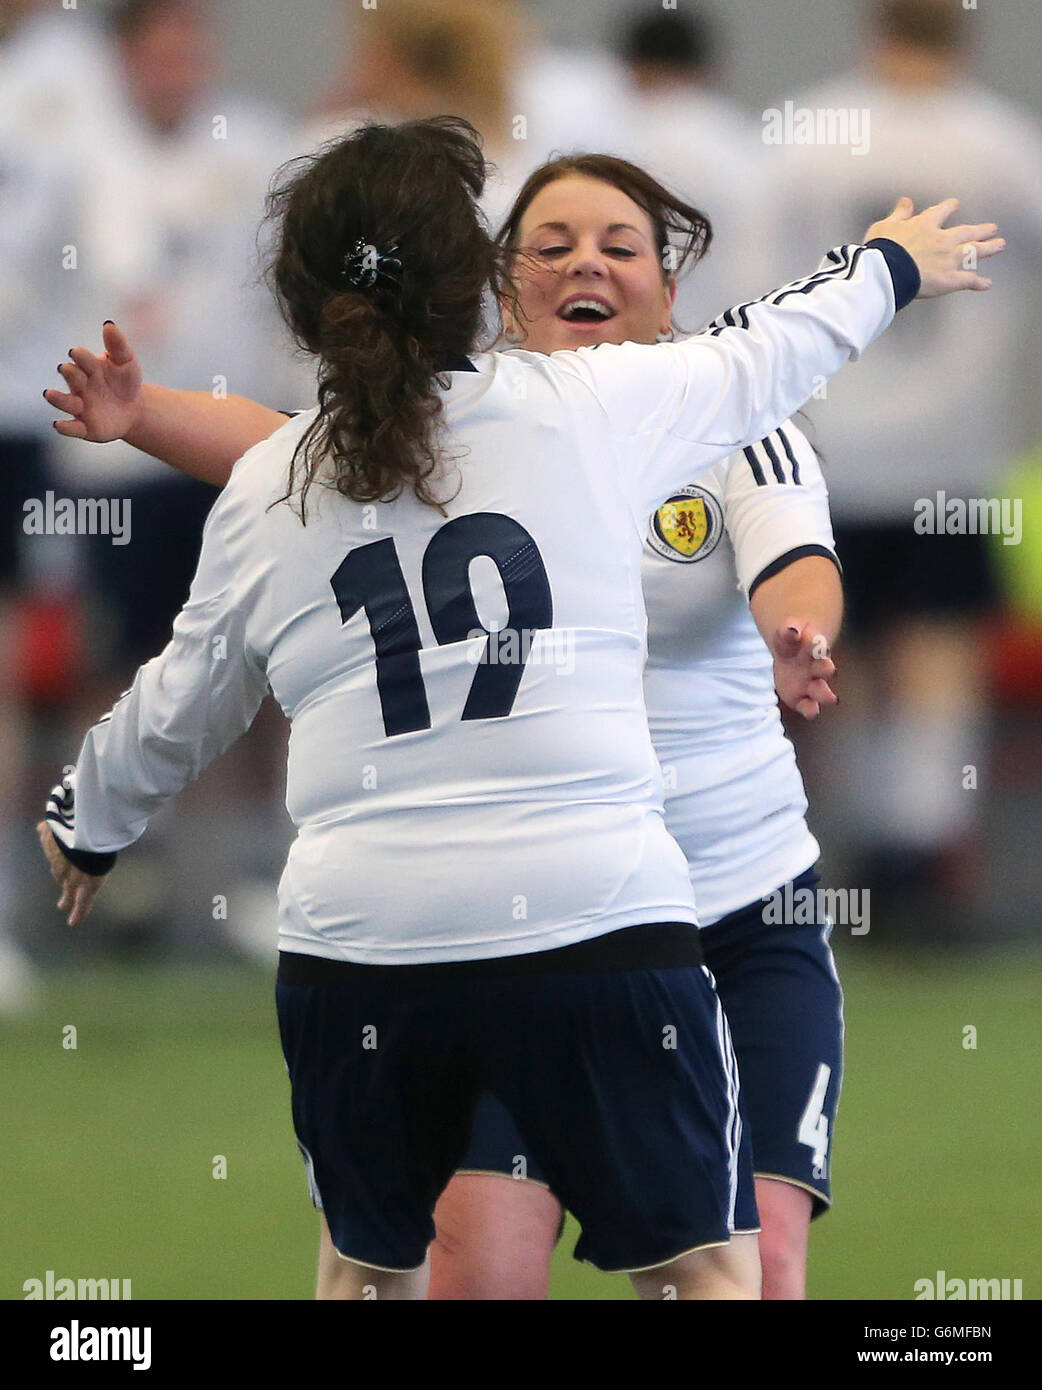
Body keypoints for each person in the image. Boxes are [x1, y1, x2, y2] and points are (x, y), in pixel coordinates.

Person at [40, 116, 1000, 1300]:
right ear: (484, 282)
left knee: (368, 1273)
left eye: (618, 244)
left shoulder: (280, 486)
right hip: (595, 919)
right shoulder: (586, 410)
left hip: (377, 945)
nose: (585, 264)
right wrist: (891, 263)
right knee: (704, 1271)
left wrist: (89, 817)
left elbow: (187, 682)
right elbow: (784, 343)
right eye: (548, 243)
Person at [765, 0, 1042, 928]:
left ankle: (861, 852)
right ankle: (923, 847)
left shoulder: (807, 133)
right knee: (937, 647)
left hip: (834, 443)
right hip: (951, 448)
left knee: (842, 651)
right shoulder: (999, 142)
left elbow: (762, 289)